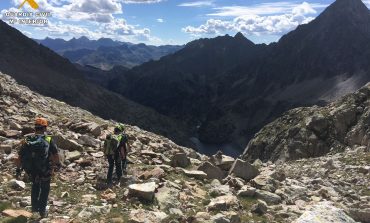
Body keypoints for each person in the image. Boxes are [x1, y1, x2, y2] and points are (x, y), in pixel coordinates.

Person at [15, 117, 60, 218]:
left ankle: (34, 209)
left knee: (35, 187)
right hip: (45, 169)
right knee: (45, 189)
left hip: (32, 170)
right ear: (44, 127)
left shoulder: (27, 139)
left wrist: (18, 170)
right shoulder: (48, 139)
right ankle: (42, 211)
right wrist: (58, 165)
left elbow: (18, 157)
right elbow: (55, 155)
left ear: (35, 128)